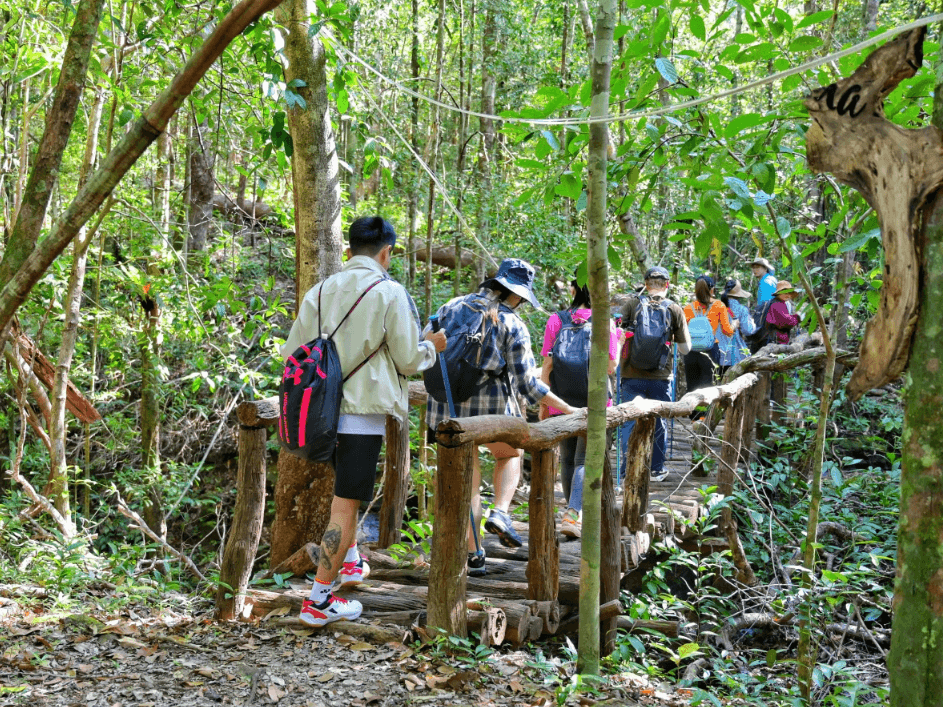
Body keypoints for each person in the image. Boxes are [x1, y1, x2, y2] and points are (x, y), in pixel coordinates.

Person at [281, 216, 447, 627]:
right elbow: (409, 359)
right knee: (346, 505)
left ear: (349, 249)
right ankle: (318, 602)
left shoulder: (319, 291)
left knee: (345, 494)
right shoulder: (388, 291)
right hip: (360, 415)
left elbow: (294, 352)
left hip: (316, 414)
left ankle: (351, 562)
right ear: (387, 252)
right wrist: (432, 347)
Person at [425, 258, 578, 575]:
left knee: (469, 482)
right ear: (518, 295)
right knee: (510, 454)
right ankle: (501, 512)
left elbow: (421, 349)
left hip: (446, 411)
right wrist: (569, 409)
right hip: (493, 413)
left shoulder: (449, 307)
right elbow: (527, 384)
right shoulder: (512, 324)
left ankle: (475, 554)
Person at [538, 276, 622, 539]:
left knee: (568, 459)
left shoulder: (557, 320)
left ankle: (571, 512)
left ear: (574, 290)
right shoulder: (604, 322)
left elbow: (547, 366)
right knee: (585, 459)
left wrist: (544, 402)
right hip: (594, 403)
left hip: (562, 402)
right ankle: (573, 514)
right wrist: (618, 343)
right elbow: (610, 367)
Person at [618, 266, 691, 484]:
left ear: (646, 284)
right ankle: (657, 469)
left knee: (629, 421)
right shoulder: (674, 308)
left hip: (631, 372)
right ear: (667, 284)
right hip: (661, 375)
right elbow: (686, 348)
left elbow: (619, 333)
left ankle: (625, 471)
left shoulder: (632, 304)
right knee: (659, 420)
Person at [682, 275, 735, 396]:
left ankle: (693, 413)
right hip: (710, 350)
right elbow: (727, 331)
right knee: (708, 384)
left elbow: (682, 331)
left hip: (691, 350)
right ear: (712, 290)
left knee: (692, 383)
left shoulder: (688, 308)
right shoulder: (719, 305)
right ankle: (704, 414)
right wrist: (735, 325)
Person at [717, 279, 756, 376]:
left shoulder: (715, 307)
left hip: (717, 353)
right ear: (739, 295)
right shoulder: (742, 309)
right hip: (735, 355)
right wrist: (753, 323)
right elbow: (748, 331)